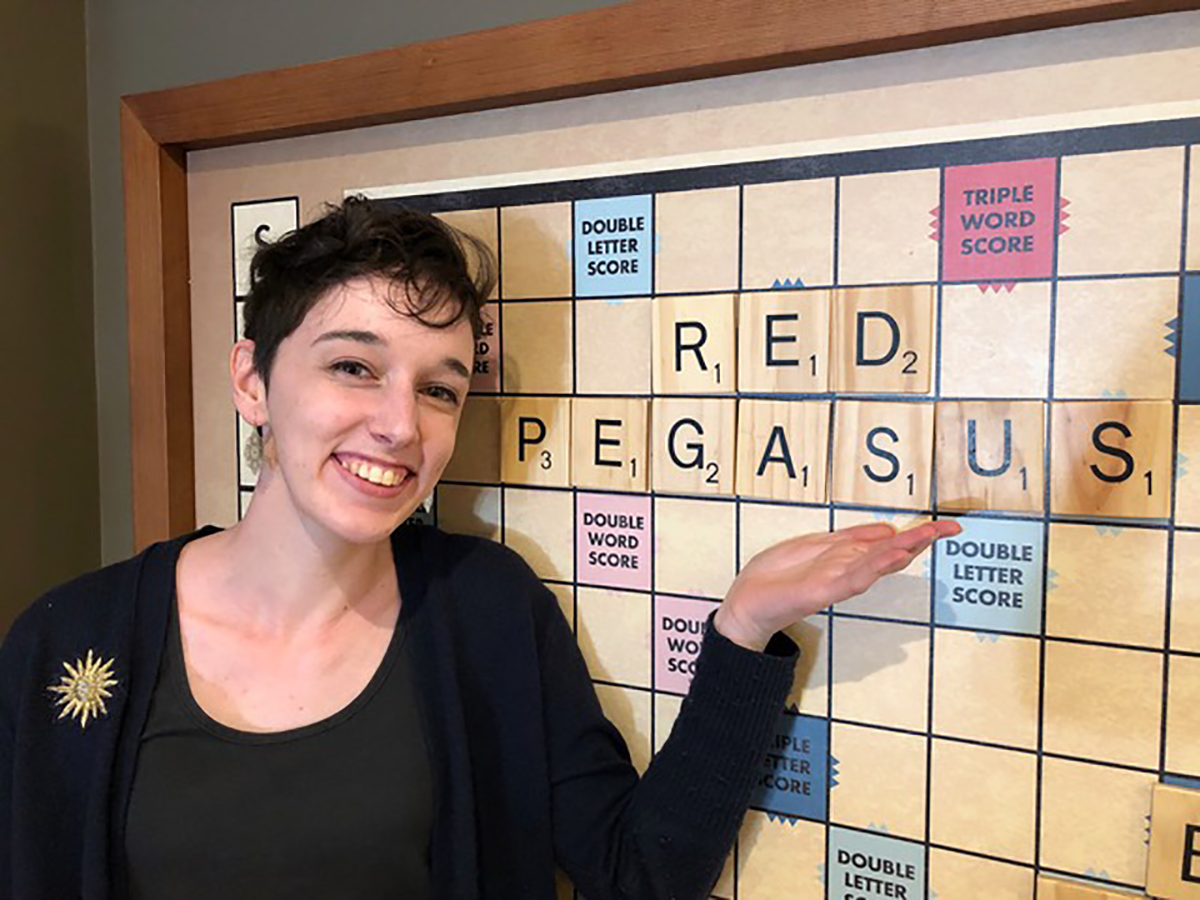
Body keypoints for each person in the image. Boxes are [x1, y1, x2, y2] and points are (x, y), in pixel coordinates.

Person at [0, 197, 959, 899]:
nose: (398, 425)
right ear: (252, 380)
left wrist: (744, 627)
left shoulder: (487, 607)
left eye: (439, 389)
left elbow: (638, 871)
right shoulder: (68, 636)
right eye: (353, 367)